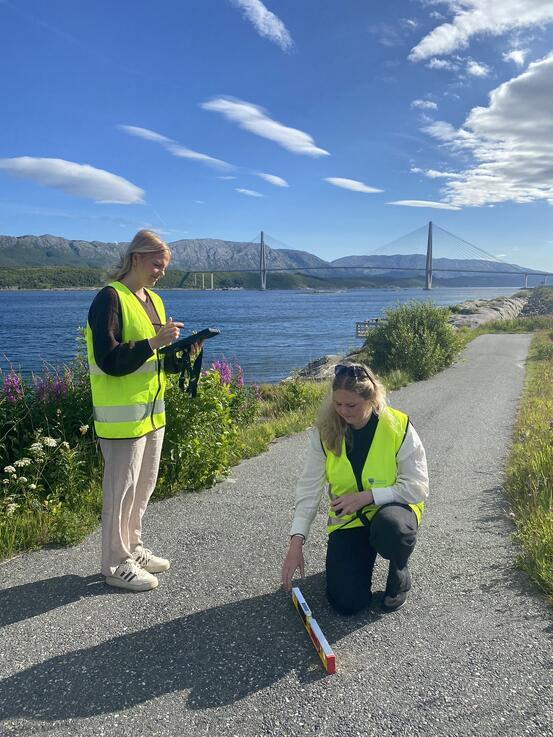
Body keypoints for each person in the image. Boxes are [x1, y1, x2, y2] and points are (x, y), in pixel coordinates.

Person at [281, 362, 429, 614]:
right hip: (350, 521)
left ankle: (399, 571)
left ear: (371, 399)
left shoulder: (398, 425)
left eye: (352, 405)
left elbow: (418, 487)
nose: (343, 412)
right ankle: (357, 557)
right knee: (346, 604)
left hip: (393, 513)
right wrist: (296, 542)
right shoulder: (325, 431)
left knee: (392, 530)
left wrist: (368, 497)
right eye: (338, 404)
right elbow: (309, 487)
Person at [86, 229, 187, 592]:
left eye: (165, 266)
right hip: (121, 418)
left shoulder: (155, 301)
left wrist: (179, 352)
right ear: (137, 258)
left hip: (151, 413)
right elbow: (109, 358)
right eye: (157, 263)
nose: (161, 271)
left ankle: (132, 548)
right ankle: (115, 563)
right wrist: (152, 342)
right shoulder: (109, 298)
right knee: (120, 491)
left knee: (142, 487)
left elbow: (153, 357)